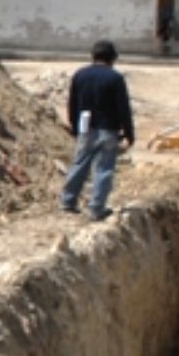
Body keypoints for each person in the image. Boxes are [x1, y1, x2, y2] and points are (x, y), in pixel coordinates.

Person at [60, 40, 134, 221]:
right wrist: (129, 133)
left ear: (93, 56)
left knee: (80, 163)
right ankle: (97, 207)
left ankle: (68, 200)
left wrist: (74, 126)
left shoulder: (80, 75)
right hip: (108, 129)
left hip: (85, 127)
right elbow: (123, 108)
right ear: (112, 58)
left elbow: (72, 104)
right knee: (104, 168)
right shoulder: (115, 78)